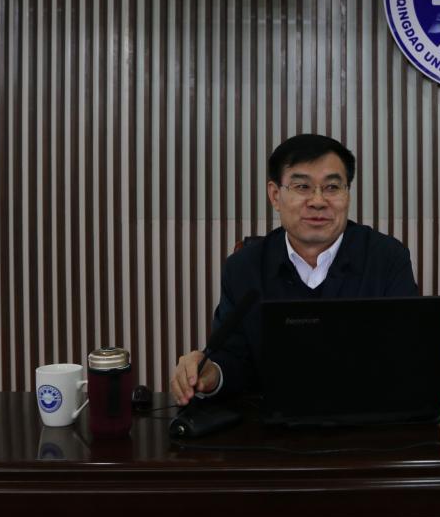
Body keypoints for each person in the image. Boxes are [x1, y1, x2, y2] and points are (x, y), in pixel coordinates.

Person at [170, 134, 419, 404]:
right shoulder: (243, 268)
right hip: (271, 422)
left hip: (369, 417)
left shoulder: (386, 259)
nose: (318, 201)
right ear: (275, 195)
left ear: (347, 194)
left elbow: (407, 355)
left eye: (332, 187)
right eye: (302, 187)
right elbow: (234, 357)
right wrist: (212, 373)